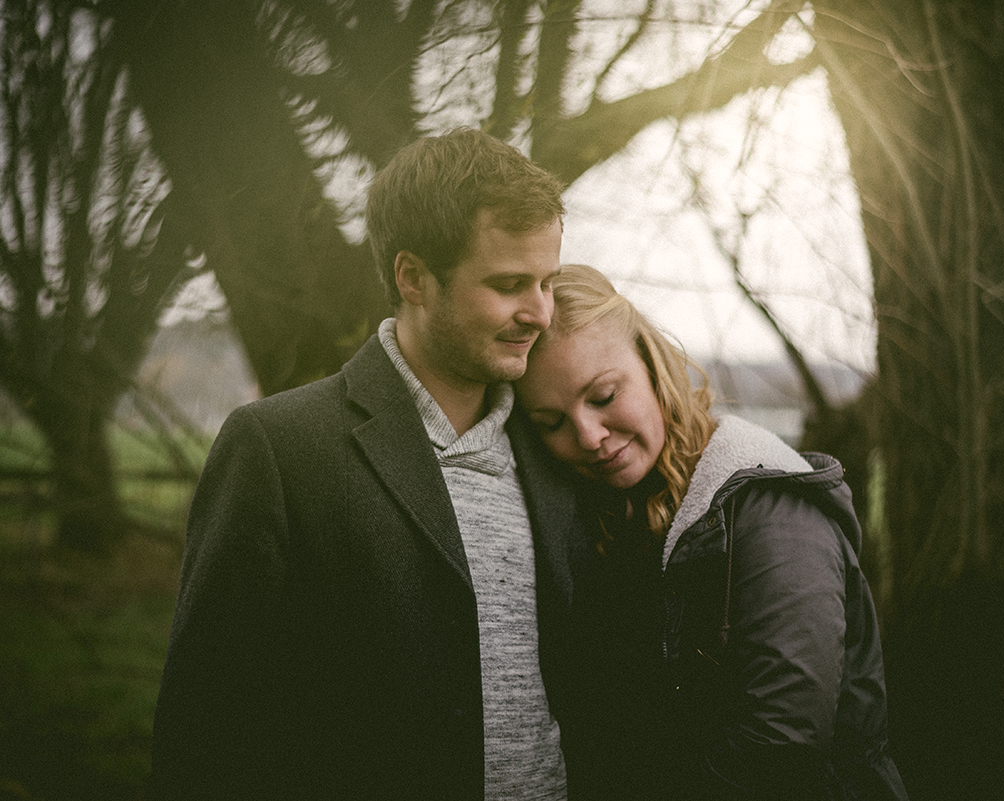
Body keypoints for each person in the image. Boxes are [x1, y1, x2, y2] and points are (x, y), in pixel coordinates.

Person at [149, 128, 586, 800]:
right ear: (412, 276)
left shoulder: (561, 443)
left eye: (547, 282)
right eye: (507, 284)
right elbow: (207, 732)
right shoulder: (278, 448)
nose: (538, 312)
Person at [515, 264, 908, 801]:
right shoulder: (606, 517)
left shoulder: (768, 506)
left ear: (654, 367)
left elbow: (780, 747)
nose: (588, 435)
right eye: (550, 423)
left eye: (604, 396)